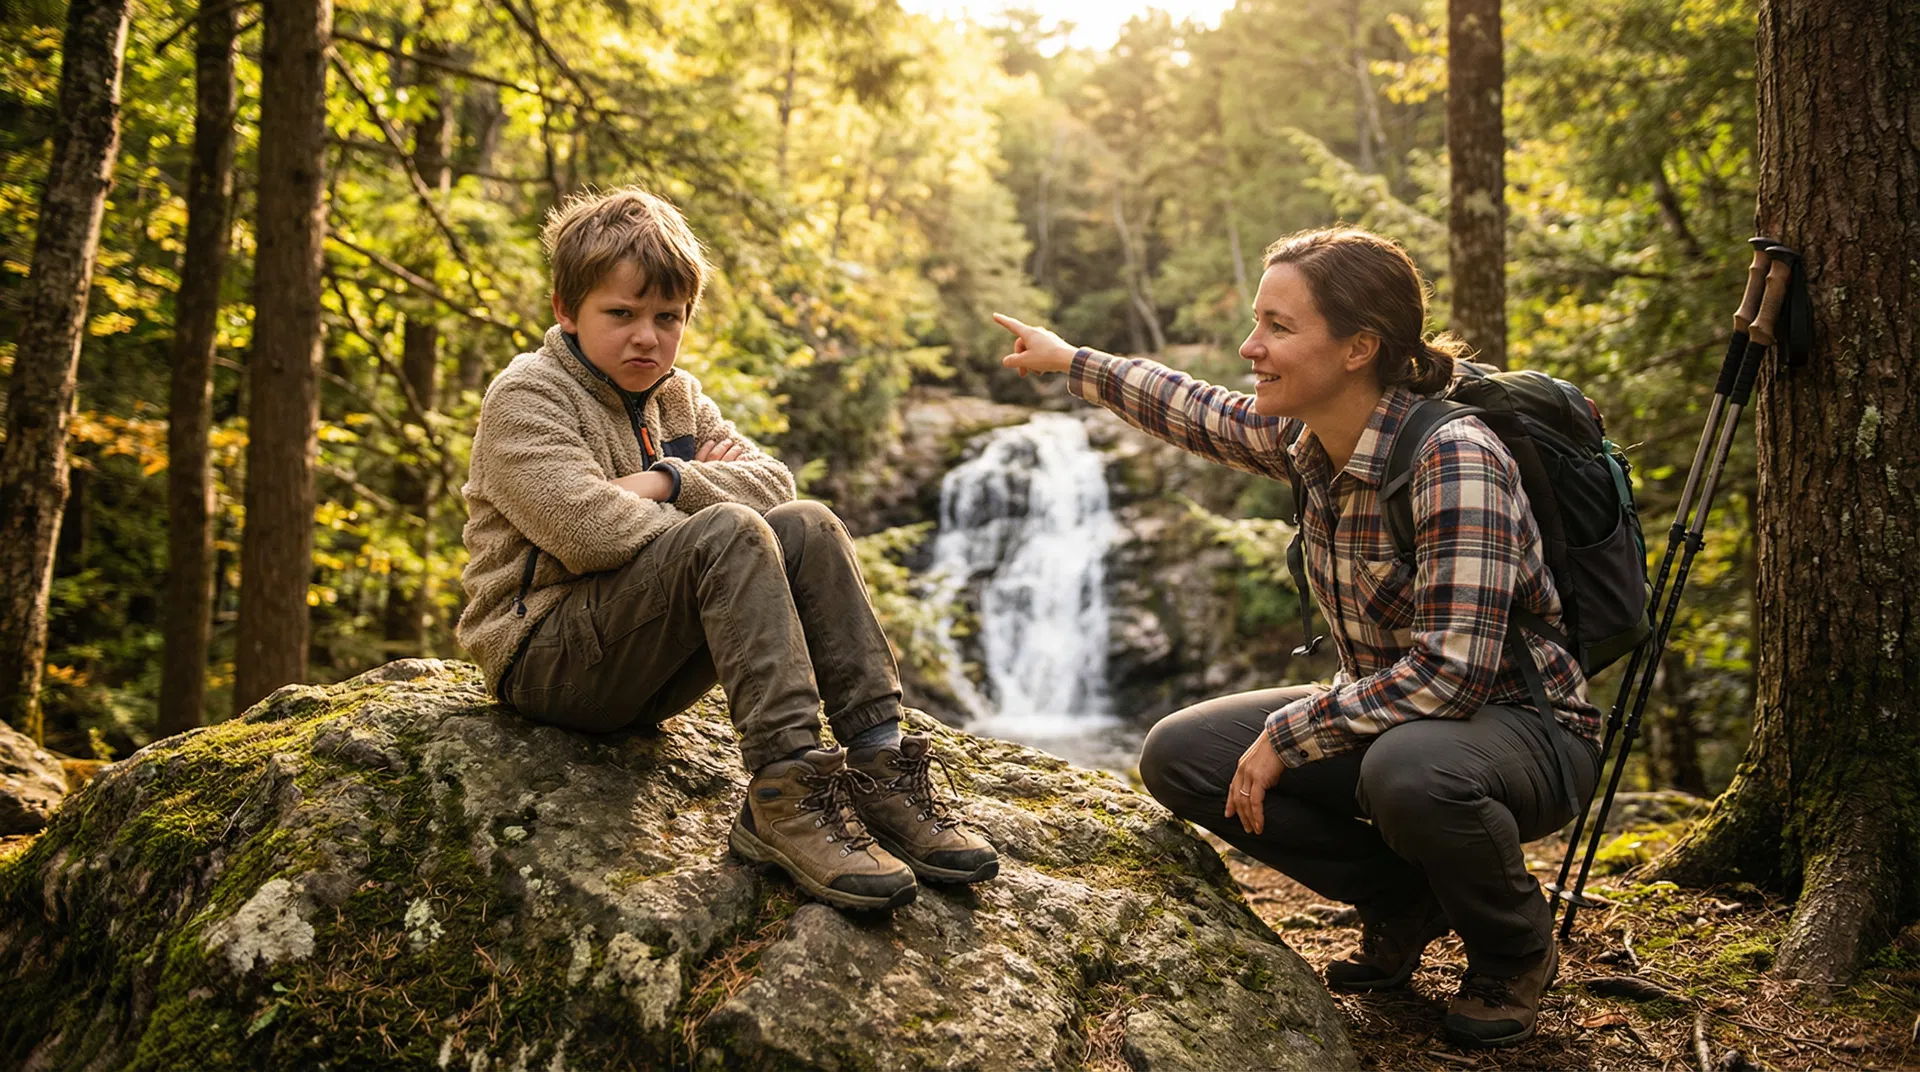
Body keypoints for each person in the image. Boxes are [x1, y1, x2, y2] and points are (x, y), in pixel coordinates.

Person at [991, 227, 1601, 1047]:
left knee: (1409, 771)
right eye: (1257, 323)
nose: (1252, 348)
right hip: (1390, 721)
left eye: (1279, 327)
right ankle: (1400, 897)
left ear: (1358, 347)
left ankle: (1513, 949)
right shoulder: (1309, 440)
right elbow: (1194, 409)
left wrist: (1292, 732)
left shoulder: (1454, 459)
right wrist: (1072, 361)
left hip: (1520, 730)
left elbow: (1452, 676)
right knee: (1183, 755)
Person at [456, 187, 997, 912]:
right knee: (735, 534)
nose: (646, 338)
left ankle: (879, 767)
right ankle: (785, 792)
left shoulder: (677, 398)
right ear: (566, 309)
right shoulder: (528, 396)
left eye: (667, 319)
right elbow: (588, 530)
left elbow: (774, 484)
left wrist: (664, 477)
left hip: (639, 659)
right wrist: (714, 515)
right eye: (620, 314)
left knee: (807, 524)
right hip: (546, 662)